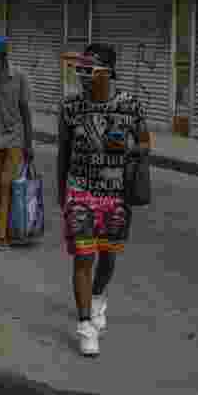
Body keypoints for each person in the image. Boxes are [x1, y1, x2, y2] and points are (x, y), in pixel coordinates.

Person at [57, 43, 148, 357]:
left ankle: (97, 296)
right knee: (83, 257)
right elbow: (63, 152)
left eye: (89, 69)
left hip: (116, 194)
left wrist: (128, 148)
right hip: (80, 191)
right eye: (79, 69)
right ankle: (85, 325)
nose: (82, 75)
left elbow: (146, 143)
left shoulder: (130, 105)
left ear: (107, 72)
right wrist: (62, 193)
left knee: (107, 257)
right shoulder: (70, 107)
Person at [0, 38, 33, 251]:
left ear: (3, 57)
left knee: (5, 186)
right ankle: (6, 221)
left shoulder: (20, 77)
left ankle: (2, 236)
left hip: (14, 140)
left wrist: (29, 144)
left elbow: (26, 113)